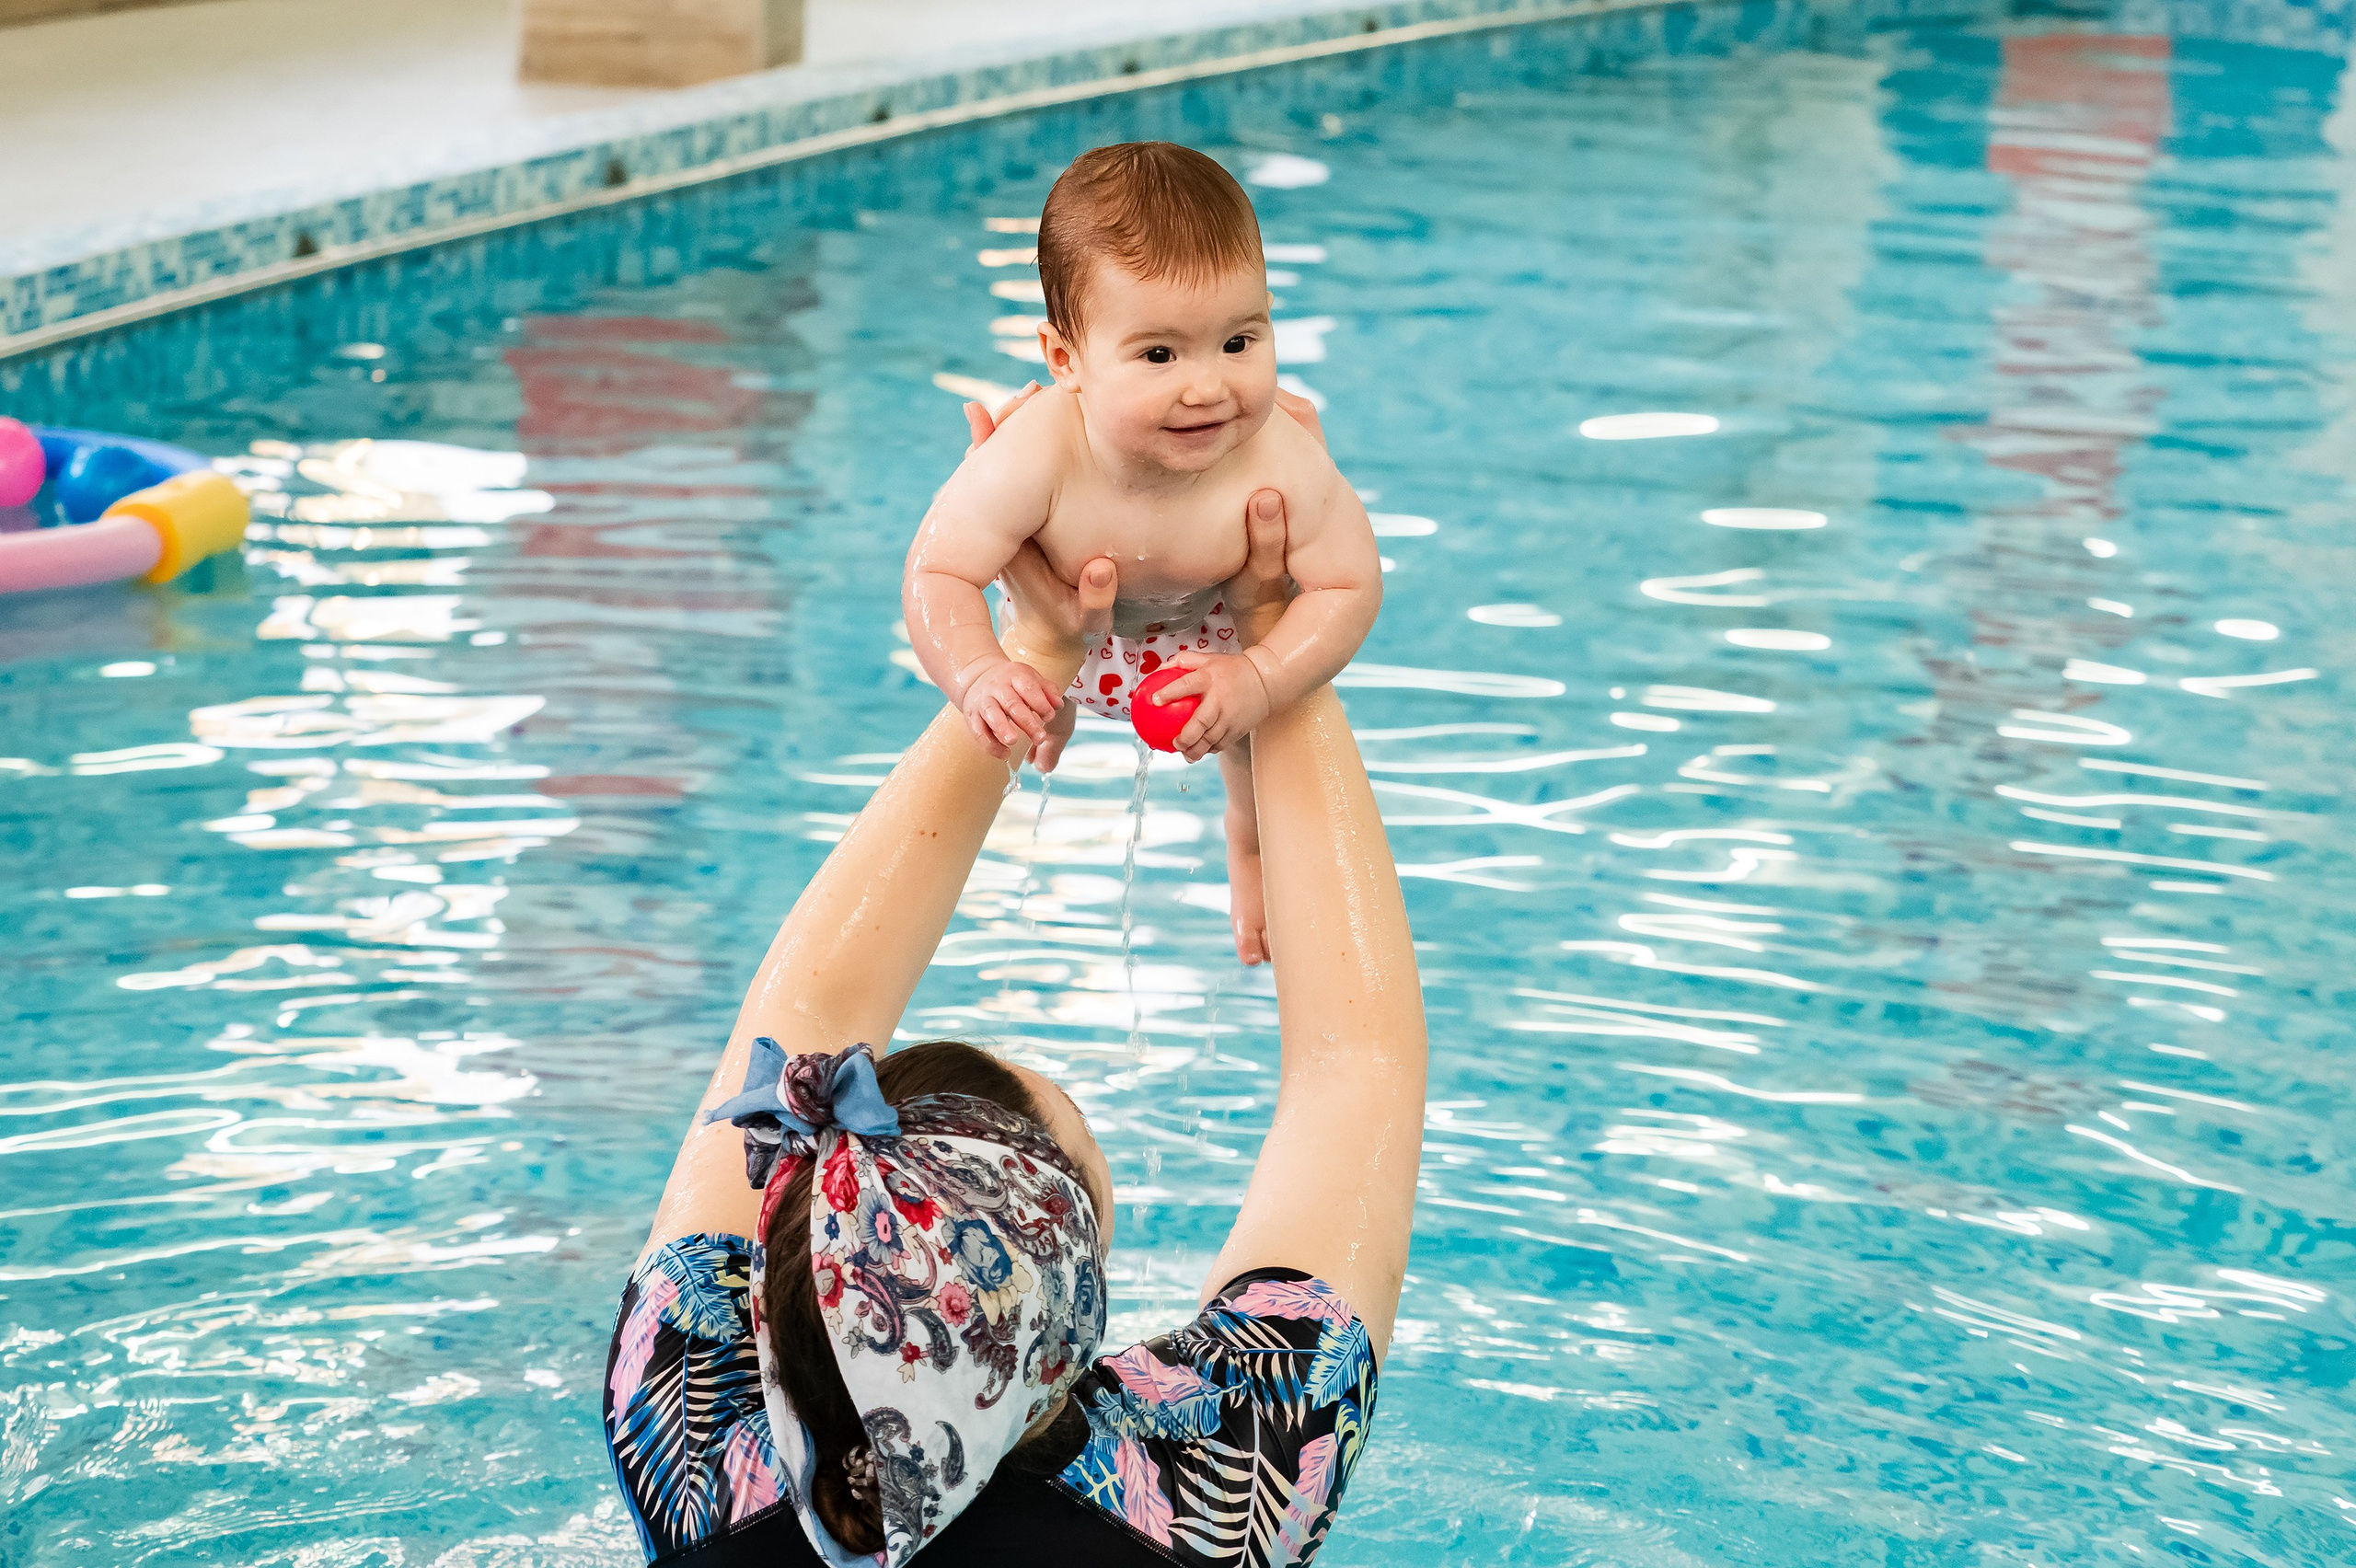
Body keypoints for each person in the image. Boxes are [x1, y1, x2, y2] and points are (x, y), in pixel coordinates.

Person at [602, 402, 1426, 1566]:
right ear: (1057, 1344)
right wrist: (1269, 626)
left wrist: (1032, 649)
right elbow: (1358, 1068)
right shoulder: (1203, 1487)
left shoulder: (700, 1459)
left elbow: (807, 1000)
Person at [901, 141, 1384, 967]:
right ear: (1065, 360)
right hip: (1061, 629)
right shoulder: (1038, 455)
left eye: (1240, 341)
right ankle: (1048, 714)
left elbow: (1350, 583)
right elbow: (939, 570)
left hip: (1212, 641)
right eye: (1159, 355)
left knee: (1246, 752)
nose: (1209, 386)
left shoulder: (1279, 456)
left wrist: (1260, 678)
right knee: (1025, 691)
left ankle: (1250, 856)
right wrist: (981, 671)